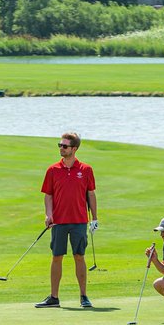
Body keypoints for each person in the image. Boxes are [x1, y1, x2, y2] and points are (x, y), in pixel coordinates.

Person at [35, 131, 97, 310]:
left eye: (65, 146)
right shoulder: (53, 170)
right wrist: (48, 214)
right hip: (59, 222)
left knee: (79, 257)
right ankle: (54, 297)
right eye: (60, 145)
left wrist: (95, 218)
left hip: (79, 221)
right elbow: (48, 195)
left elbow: (91, 194)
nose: (61, 148)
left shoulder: (86, 170)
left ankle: (83, 296)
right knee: (57, 257)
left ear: (74, 149)